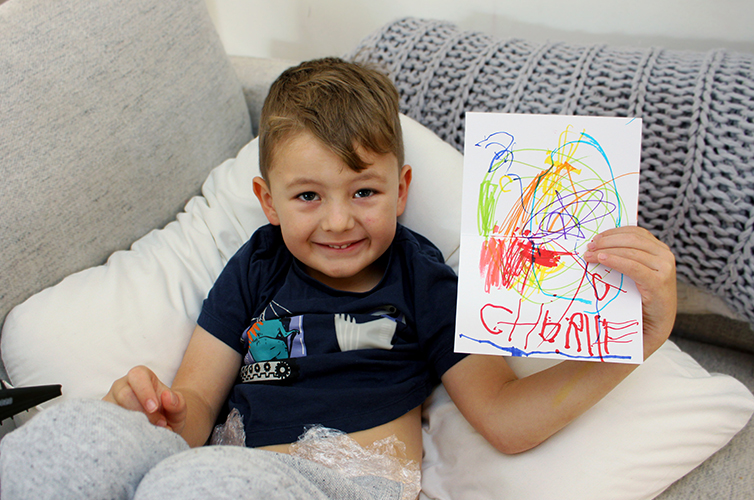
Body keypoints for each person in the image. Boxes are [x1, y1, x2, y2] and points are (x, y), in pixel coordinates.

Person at [0, 57, 676, 499]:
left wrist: (644, 337)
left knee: (198, 486)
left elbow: (504, 417)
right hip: (232, 463)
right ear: (267, 202)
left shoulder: (422, 277)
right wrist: (147, 412)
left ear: (401, 188)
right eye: (307, 197)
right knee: (78, 435)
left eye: (363, 192)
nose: (338, 223)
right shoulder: (257, 265)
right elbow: (194, 408)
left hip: (349, 485)